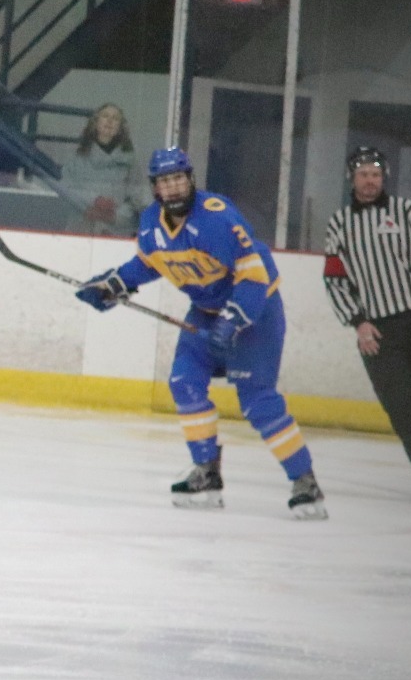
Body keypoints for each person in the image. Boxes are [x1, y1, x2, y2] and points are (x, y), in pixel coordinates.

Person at [76, 147, 327, 519]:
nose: (173, 188)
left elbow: (255, 274)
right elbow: (146, 265)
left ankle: (304, 480)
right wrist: (112, 285)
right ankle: (206, 472)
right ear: (155, 188)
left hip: (256, 310)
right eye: (165, 182)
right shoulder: (150, 224)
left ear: (190, 179)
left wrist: (235, 317)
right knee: (184, 382)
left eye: (179, 179)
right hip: (206, 314)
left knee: (257, 401)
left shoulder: (217, 218)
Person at [321, 148, 411, 500]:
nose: (370, 180)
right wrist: (357, 323)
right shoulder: (340, 223)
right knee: (401, 404)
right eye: (363, 175)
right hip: (376, 331)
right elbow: (334, 278)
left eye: (375, 174)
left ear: (383, 177)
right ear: (351, 179)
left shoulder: (407, 212)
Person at [67, 103, 144, 233]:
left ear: (120, 128)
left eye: (115, 118)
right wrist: (94, 201)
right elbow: (66, 189)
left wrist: (115, 216)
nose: (109, 121)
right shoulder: (78, 157)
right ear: (95, 123)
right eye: (105, 116)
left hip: (115, 234)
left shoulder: (131, 161)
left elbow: (137, 200)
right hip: (80, 230)